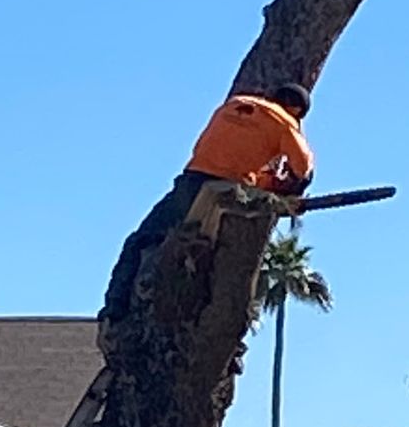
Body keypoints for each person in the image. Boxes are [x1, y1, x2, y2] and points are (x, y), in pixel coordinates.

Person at [99, 83, 314, 342]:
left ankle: (113, 308)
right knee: (232, 269)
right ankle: (231, 339)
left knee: (140, 240)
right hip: (232, 193)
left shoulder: (233, 106)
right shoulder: (284, 122)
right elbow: (303, 167)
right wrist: (292, 189)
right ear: (296, 109)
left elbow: (220, 151)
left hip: (192, 183)